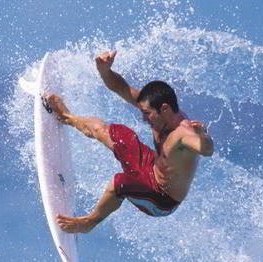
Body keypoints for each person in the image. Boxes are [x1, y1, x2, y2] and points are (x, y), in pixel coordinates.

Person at [44, 50, 214, 234]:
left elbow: (206, 150)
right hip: (150, 169)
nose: (143, 117)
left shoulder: (184, 132)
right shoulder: (154, 106)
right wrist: (104, 70)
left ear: (164, 109)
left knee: (120, 182)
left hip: (161, 200)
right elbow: (121, 87)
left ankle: (89, 222)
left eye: (147, 113)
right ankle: (66, 117)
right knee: (112, 131)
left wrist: (203, 135)